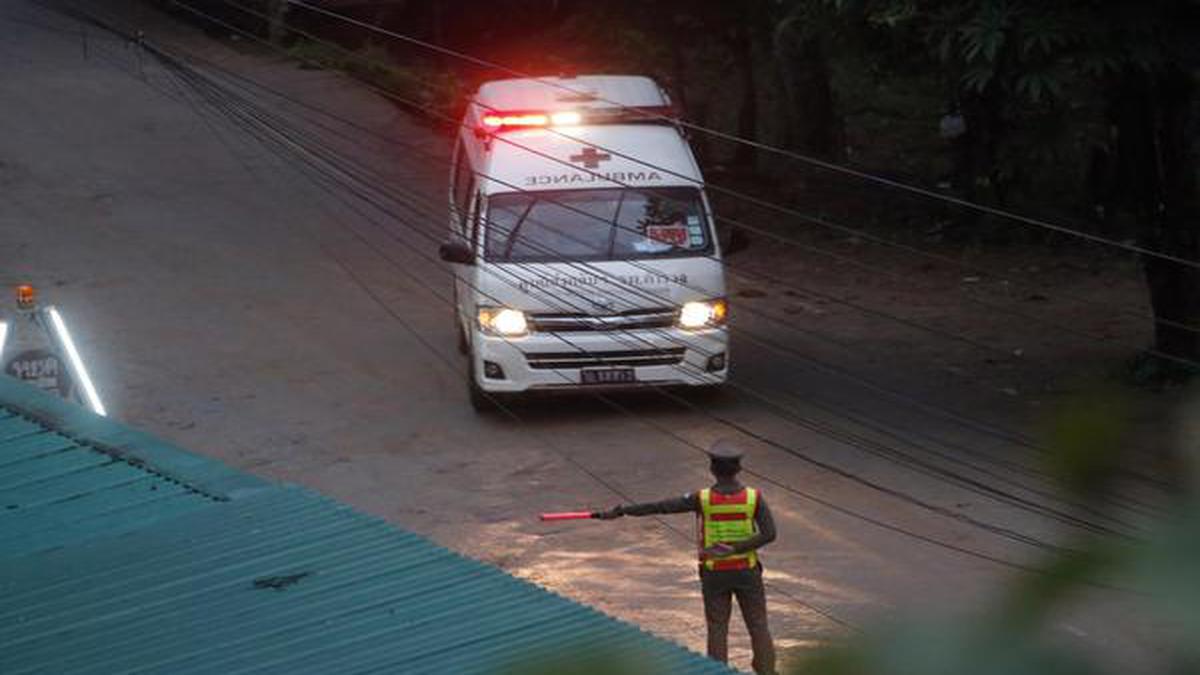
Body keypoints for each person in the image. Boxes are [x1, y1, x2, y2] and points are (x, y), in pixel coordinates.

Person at [596, 439, 777, 674]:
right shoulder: (754, 497)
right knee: (758, 625)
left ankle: (717, 671)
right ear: (739, 468)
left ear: (712, 469)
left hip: (714, 574)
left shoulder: (702, 499)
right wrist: (737, 549)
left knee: (717, 628)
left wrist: (622, 511)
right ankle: (766, 671)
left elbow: (661, 506)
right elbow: (769, 534)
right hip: (747, 572)